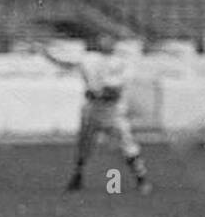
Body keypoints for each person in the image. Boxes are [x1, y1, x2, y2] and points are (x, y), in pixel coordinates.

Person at [39, 33, 151, 194]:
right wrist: (47, 54)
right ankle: (77, 178)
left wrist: (101, 92)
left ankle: (142, 180)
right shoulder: (90, 59)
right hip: (92, 109)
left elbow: (115, 89)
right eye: (103, 40)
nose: (105, 43)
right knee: (84, 146)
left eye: (109, 41)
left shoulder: (120, 62)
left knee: (127, 145)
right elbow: (67, 63)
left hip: (112, 111)